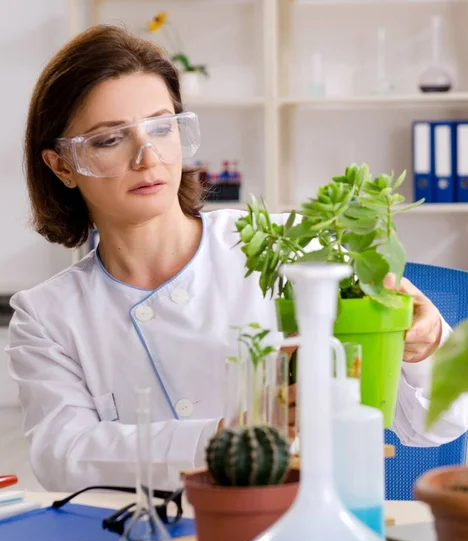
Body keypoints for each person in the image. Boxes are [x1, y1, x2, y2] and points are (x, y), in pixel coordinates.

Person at [6, 25, 468, 493]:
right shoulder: (46, 315)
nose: (148, 157)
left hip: (302, 528)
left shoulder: (288, 246)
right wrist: (224, 435)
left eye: (162, 127)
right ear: (62, 165)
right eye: (109, 140)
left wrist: (425, 346)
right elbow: (62, 455)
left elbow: (435, 426)